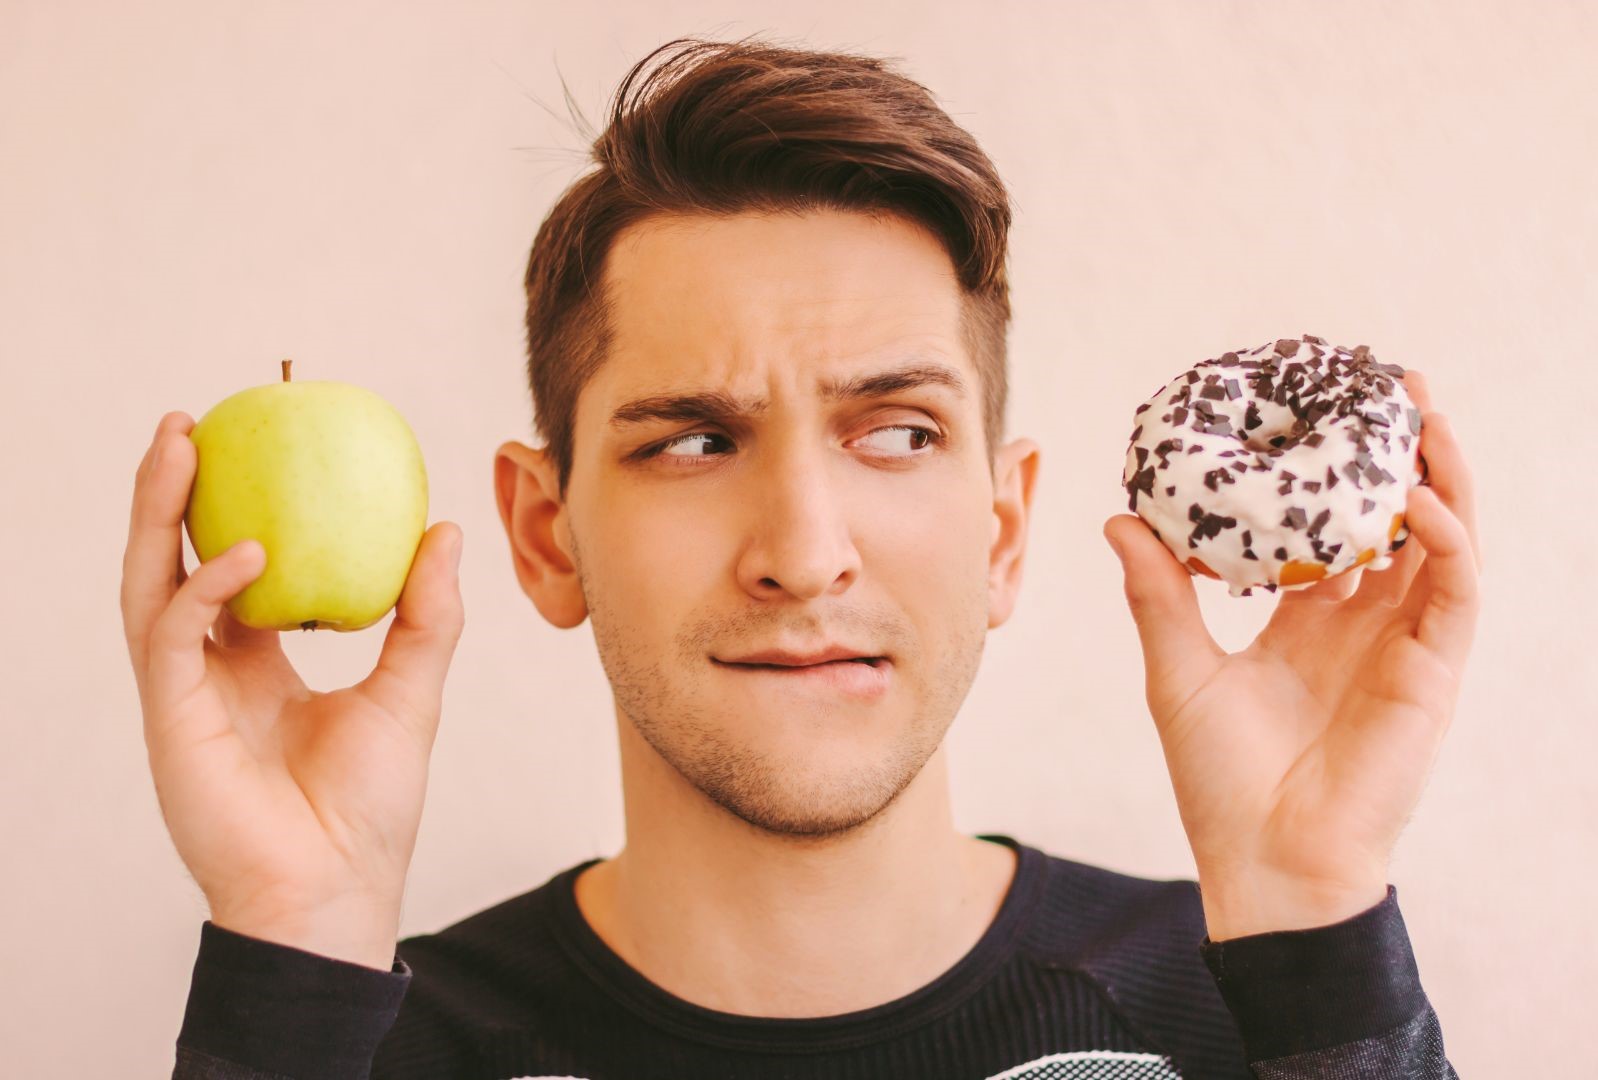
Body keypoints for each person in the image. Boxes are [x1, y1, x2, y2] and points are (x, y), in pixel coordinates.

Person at [121, 35, 1480, 1080]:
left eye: (892, 433)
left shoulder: (1252, 1002)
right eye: (694, 444)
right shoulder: (355, 1034)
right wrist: (292, 940)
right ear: (550, 535)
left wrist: (1314, 921)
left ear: (1000, 532)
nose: (804, 551)